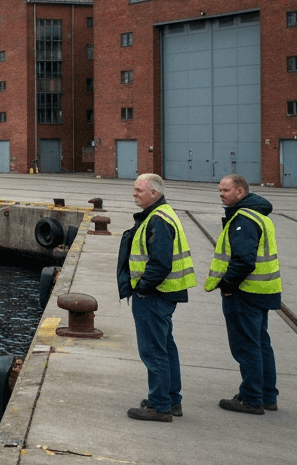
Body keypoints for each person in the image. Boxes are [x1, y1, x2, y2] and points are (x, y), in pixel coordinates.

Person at [117, 173, 196, 422]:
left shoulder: (158, 220)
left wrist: (142, 288)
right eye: (135, 189)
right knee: (165, 346)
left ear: (155, 193)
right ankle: (171, 400)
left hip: (154, 294)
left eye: (139, 190)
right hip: (164, 294)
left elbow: (160, 262)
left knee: (153, 350)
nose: (134, 194)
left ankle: (159, 405)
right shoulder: (162, 214)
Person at [206, 174, 281, 415]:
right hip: (263, 290)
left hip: (245, 292)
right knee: (261, 343)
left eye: (226, 190)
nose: (221, 194)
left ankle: (250, 398)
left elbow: (244, 260)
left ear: (241, 192)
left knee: (247, 346)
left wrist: (227, 285)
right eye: (220, 190)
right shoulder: (259, 215)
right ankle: (267, 395)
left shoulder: (243, 219)